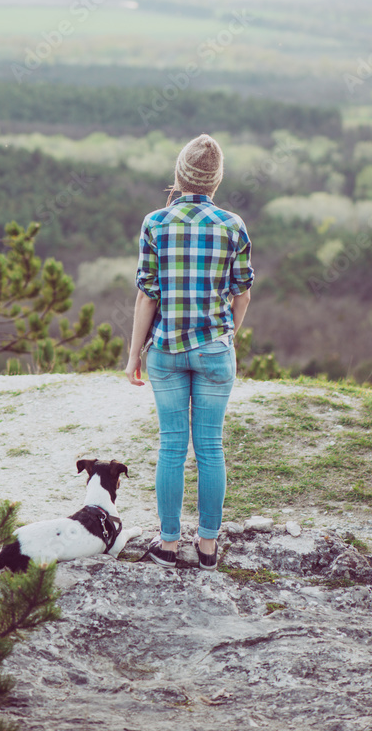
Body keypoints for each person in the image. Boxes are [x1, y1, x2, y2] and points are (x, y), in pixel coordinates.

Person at [125, 134, 254, 570]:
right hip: (215, 348)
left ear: (178, 176)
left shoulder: (155, 223)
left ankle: (166, 544)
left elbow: (147, 297)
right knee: (211, 447)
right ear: (215, 182)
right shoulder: (232, 224)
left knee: (172, 446)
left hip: (165, 349)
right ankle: (207, 547)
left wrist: (133, 356)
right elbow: (243, 294)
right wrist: (225, 336)